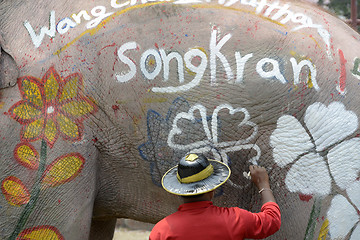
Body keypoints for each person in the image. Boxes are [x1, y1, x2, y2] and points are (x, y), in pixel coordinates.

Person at [149, 153, 281, 240]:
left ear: (180, 191)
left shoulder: (161, 231)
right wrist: (263, 184)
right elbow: (272, 220)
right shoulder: (235, 219)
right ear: (212, 188)